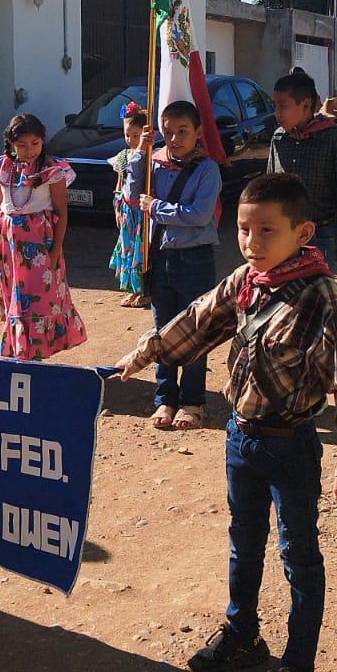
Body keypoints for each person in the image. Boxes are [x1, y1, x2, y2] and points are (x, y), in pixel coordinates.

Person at [115, 172, 337, 672]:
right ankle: (243, 635)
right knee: (244, 541)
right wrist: (146, 352)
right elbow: (198, 321)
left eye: (266, 230)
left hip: (292, 446)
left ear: (303, 232)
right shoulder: (244, 281)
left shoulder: (321, 296)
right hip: (240, 439)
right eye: (242, 229)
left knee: (299, 557)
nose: (252, 241)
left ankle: (298, 671)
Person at [124, 100, 222, 431]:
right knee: (162, 331)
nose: (175, 139)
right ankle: (165, 398)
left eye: (182, 132)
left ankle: (192, 402)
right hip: (160, 256)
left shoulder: (207, 169)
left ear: (198, 133)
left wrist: (158, 208)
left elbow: (199, 216)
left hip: (195, 258)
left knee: (195, 332)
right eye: (168, 132)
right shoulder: (156, 163)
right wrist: (140, 152)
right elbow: (130, 196)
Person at [0, 114, 87, 361]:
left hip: (40, 244)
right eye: (21, 145)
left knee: (37, 300)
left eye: (35, 143)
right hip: (9, 244)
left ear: (43, 141)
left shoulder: (51, 169)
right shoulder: (2, 167)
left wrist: (55, 251)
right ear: (10, 144)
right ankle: (21, 351)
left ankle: (36, 353)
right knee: (16, 298)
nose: (29, 150)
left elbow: (62, 212)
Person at [266, 68, 337, 276]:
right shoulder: (279, 139)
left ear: (306, 105)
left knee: (318, 297)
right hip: (286, 236)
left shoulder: (333, 139)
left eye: (283, 106)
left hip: (322, 236)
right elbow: (269, 189)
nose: (277, 113)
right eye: (275, 106)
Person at [110, 103, 148, 307]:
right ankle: (133, 290)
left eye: (136, 135)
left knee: (140, 252)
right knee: (128, 250)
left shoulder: (150, 156)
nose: (131, 140)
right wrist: (117, 207)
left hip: (142, 213)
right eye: (128, 135)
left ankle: (144, 290)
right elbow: (120, 182)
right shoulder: (123, 157)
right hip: (126, 211)